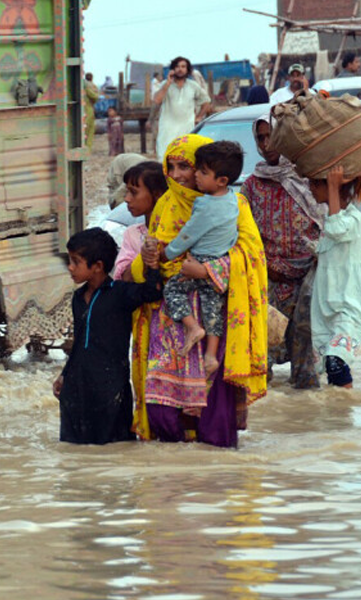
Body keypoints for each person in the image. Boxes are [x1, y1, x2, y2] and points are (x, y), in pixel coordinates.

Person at [130, 134, 267, 447]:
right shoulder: (165, 205)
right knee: (163, 410)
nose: (177, 175)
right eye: (171, 166)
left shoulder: (237, 204)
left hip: (214, 310)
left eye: (186, 166)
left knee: (212, 412)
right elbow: (151, 263)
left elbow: (253, 255)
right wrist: (149, 259)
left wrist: (206, 270)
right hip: (169, 317)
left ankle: (213, 482)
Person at [52, 228, 162, 444]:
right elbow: (79, 341)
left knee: (114, 446)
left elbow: (153, 291)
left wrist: (153, 264)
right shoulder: (77, 297)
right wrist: (64, 374)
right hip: (77, 387)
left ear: (98, 267)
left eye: (75, 262)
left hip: (110, 388)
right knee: (75, 450)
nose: (70, 268)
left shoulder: (120, 293)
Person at [240, 114, 323, 389]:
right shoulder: (253, 185)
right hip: (269, 277)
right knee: (259, 354)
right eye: (260, 138)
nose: (266, 143)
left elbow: (328, 222)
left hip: (309, 276)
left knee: (306, 358)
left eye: (271, 135)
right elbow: (244, 233)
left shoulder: (309, 175)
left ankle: (306, 423)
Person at [160, 141, 242, 377]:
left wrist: (168, 253)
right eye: (170, 167)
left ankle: (193, 327)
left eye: (200, 171)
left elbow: (188, 234)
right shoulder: (234, 200)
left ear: (222, 180)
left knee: (172, 290)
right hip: (220, 268)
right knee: (212, 309)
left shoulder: (204, 204)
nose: (193, 175)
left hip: (199, 261)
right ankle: (211, 355)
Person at [307, 166, 361, 388]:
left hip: (346, 307)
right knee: (331, 368)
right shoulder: (331, 223)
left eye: (315, 183)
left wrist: (332, 184)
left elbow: (337, 228)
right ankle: (339, 417)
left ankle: (345, 413)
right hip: (325, 309)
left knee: (336, 362)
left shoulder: (354, 219)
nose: (310, 188)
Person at [114, 161, 168, 281]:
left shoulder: (175, 232)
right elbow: (122, 279)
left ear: (158, 195)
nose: (127, 199)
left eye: (133, 192)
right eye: (127, 191)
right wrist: (143, 259)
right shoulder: (132, 234)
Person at [153, 57, 211, 157]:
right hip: (167, 129)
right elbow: (157, 100)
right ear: (172, 69)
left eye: (183, 67)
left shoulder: (193, 86)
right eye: (177, 66)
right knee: (165, 157)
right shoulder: (164, 85)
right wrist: (167, 83)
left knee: (185, 157)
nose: (180, 69)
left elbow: (206, 102)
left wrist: (199, 117)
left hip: (187, 128)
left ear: (187, 69)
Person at [84, 72, 99, 151]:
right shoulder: (90, 86)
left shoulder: (83, 84)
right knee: (89, 130)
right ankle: (87, 149)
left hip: (85, 108)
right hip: (88, 109)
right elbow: (95, 97)